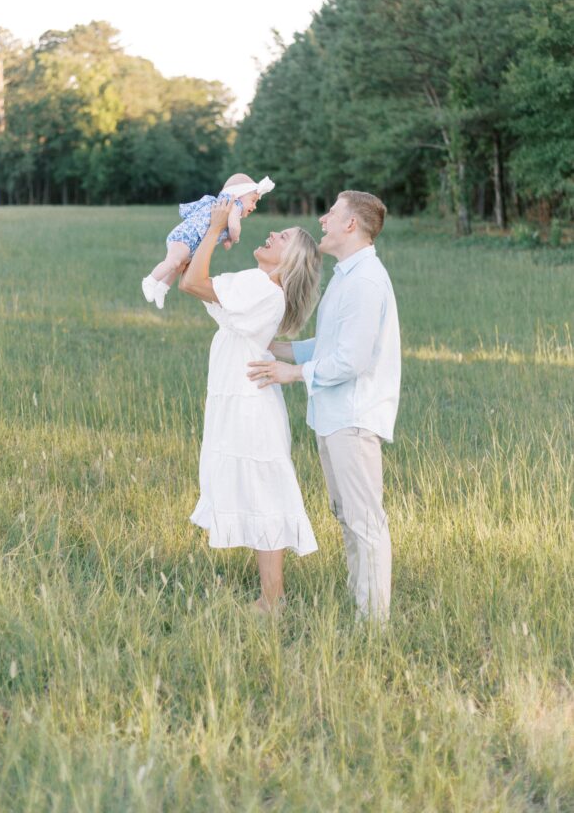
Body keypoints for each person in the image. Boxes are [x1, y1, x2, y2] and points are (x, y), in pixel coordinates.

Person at [248, 191, 401, 622]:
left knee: (364, 521)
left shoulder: (367, 281)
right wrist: (273, 347)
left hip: (353, 418)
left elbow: (351, 360)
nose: (323, 220)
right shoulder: (346, 275)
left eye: (331, 214)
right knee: (348, 517)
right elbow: (328, 345)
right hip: (333, 417)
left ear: (351, 224)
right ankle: (363, 608)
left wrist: (291, 374)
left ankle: (374, 624)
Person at [180, 198, 322, 613]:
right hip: (240, 400)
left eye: (284, 237)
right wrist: (210, 233)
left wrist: (212, 230)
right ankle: (270, 595)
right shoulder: (258, 286)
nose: (273, 233)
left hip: (248, 406)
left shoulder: (263, 288)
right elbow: (196, 279)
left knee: (265, 496)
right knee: (260, 494)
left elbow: (191, 284)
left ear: (289, 260)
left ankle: (273, 599)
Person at [141, 173, 274, 309]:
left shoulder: (224, 209)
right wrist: (235, 236)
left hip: (191, 244)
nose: (255, 206)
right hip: (185, 236)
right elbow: (234, 227)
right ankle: (150, 280)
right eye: (253, 200)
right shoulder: (235, 204)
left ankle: (162, 288)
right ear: (239, 194)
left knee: (179, 265)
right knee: (174, 261)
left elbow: (225, 237)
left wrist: (227, 240)